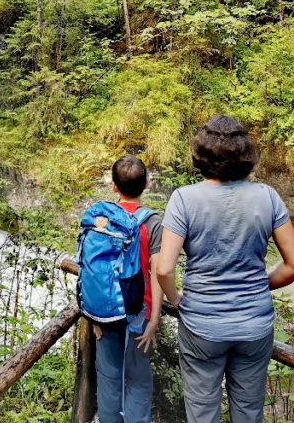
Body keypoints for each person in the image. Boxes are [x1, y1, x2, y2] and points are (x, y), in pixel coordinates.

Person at [155, 116, 294, 423]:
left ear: (201, 154)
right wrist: (259, 285)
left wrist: (175, 298)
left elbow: (164, 268)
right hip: (254, 324)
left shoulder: (184, 199)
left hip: (202, 324)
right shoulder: (267, 196)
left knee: (202, 413)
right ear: (245, 154)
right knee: (249, 413)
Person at [91, 154, 163, 423]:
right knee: (138, 379)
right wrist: (154, 320)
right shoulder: (152, 223)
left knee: (109, 376)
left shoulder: (101, 220)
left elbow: (91, 269)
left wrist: (93, 316)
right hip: (138, 314)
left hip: (105, 312)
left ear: (113, 186)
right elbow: (159, 274)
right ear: (148, 183)